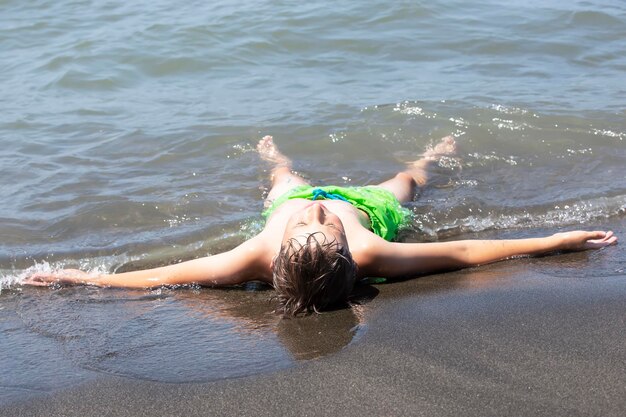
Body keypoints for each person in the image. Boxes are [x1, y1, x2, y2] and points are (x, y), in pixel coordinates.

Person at [23, 135, 618, 315]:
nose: (319, 214)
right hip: (370, 201)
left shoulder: (253, 254)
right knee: (406, 182)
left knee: (283, 183)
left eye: (316, 225)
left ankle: (275, 159)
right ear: (350, 254)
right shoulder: (371, 247)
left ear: (281, 256)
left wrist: (76, 276)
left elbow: (156, 277)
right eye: (325, 226)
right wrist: (556, 239)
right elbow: (467, 252)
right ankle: (429, 158)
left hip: (290, 197)